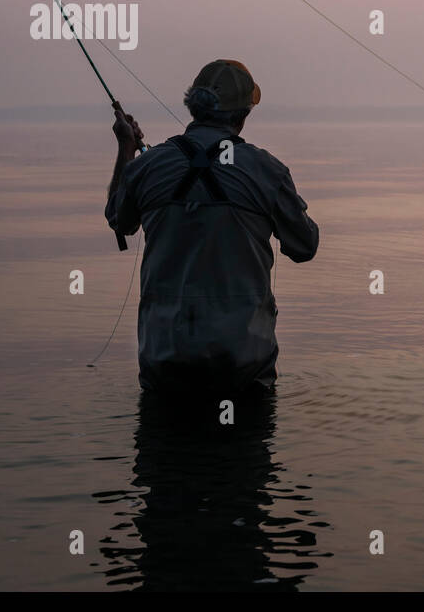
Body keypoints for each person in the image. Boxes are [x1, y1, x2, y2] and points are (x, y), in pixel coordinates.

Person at [105, 59, 319, 395]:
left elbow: (119, 220)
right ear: (245, 113)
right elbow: (305, 247)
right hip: (242, 366)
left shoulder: (147, 166)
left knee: (165, 445)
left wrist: (126, 149)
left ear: (193, 105)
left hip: (165, 360)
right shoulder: (267, 171)